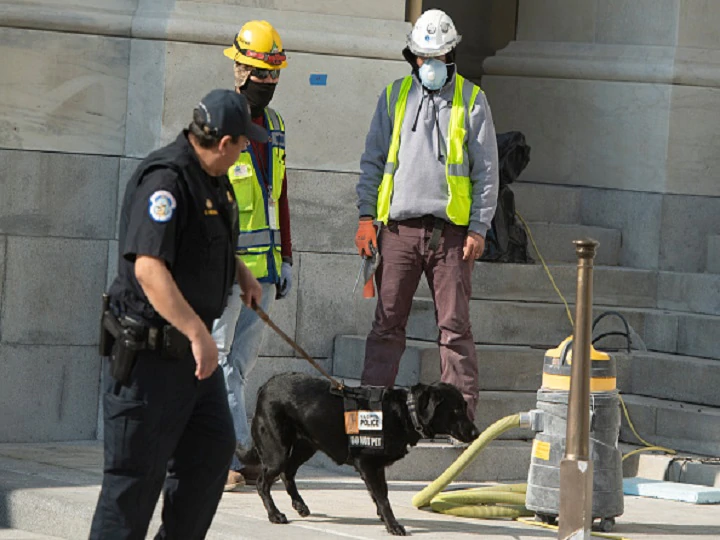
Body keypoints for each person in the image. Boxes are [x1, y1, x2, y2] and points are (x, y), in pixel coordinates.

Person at [90, 89, 265, 540]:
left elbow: (201, 240)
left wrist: (240, 272)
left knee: (210, 455)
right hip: (151, 359)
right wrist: (196, 332)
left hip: (190, 363)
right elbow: (149, 269)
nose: (247, 150)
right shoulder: (166, 180)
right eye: (244, 142)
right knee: (132, 487)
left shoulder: (212, 179)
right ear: (224, 142)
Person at [355, 9, 499, 423]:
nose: (428, 65)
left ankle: (461, 418)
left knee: (454, 331)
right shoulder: (394, 96)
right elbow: (373, 161)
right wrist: (366, 217)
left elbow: (486, 170)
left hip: (451, 236)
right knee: (385, 326)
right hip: (397, 231)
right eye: (421, 57)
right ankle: (370, 417)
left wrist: (479, 228)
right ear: (412, 57)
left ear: (451, 56)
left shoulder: (472, 100)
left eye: (435, 57)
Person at [211, 20, 293, 490]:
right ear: (239, 70)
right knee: (219, 364)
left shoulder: (275, 127)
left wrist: (287, 259)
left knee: (237, 367)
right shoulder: (219, 123)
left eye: (274, 76)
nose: (268, 85)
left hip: (266, 273)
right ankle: (237, 455)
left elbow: (280, 196)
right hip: (227, 273)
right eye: (261, 75)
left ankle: (228, 452)